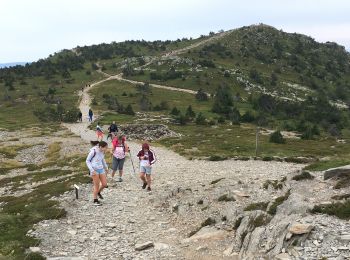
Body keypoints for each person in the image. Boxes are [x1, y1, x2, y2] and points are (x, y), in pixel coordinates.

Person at [86, 141, 109, 206]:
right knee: (97, 185)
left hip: (101, 169)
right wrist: (91, 170)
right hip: (94, 170)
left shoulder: (102, 151)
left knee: (104, 184)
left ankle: (98, 192)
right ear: (101, 147)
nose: (106, 149)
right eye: (106, 147)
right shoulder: (93, 151)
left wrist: (106, 167)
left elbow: (102, 159)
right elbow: (87, 161)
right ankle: (95, 200)